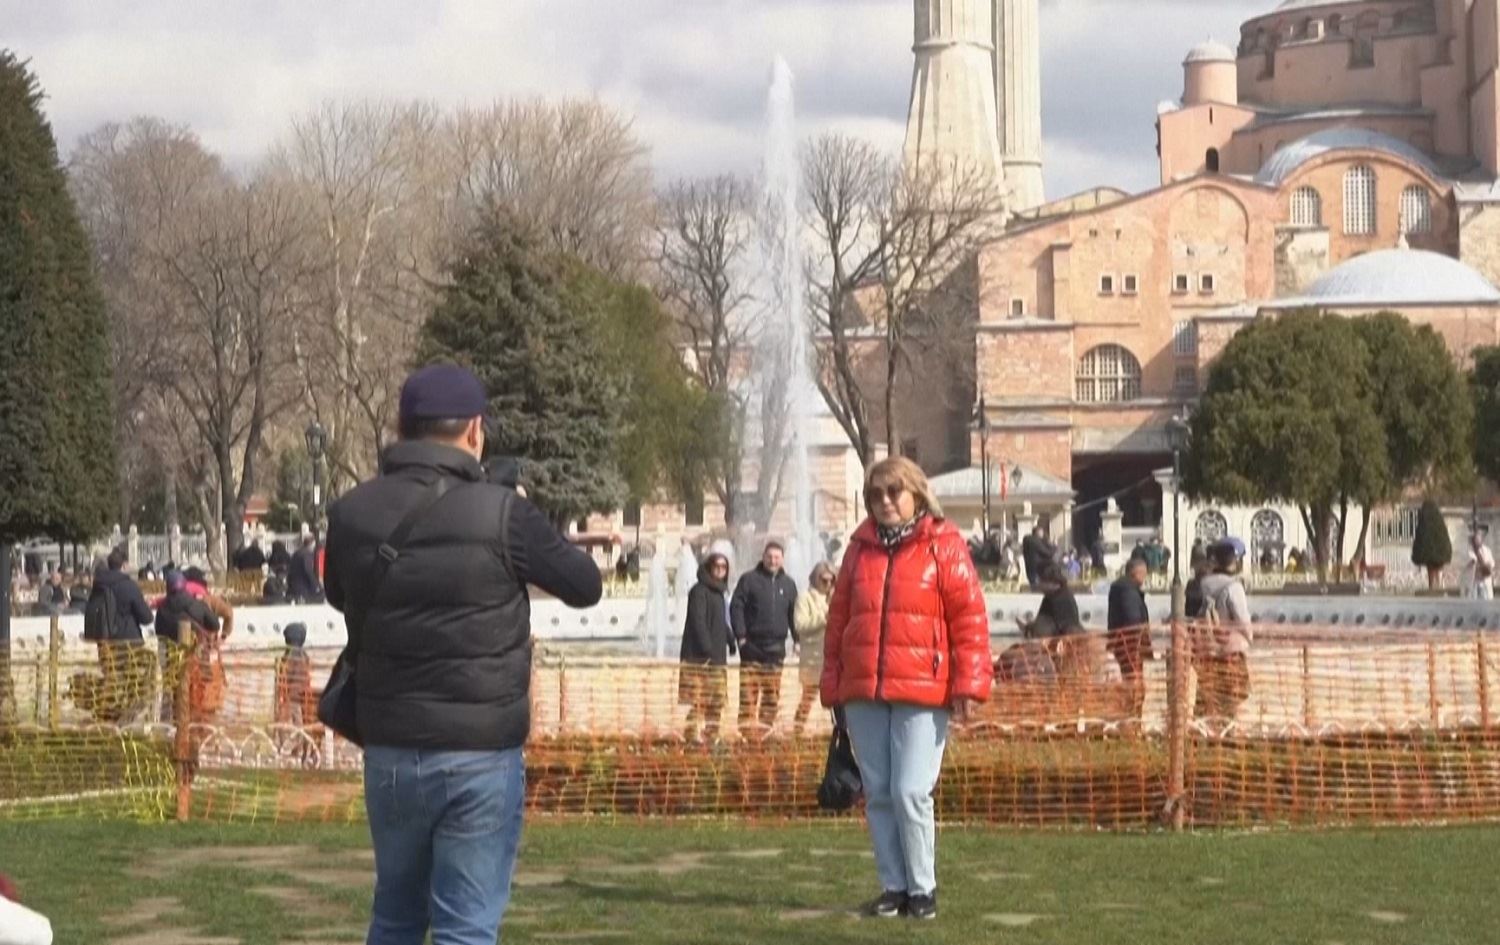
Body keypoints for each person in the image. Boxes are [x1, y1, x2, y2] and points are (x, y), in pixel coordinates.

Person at [324, 362, 602, 945]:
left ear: (402, 428)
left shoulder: (351, 512)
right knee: (466, 929)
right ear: (476, 431)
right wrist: (517, 513)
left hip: (392, 748)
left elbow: (338, 594)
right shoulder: (503, 513)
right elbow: (585, 584)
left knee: (395, 917)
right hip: (478, 750)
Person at [821, 457, 992, 922]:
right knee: (877, 791)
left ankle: (923, 889)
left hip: (923, 687)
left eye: (894, 492)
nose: (885, 502)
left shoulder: (944, 544)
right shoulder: (859, 548)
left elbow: (970, 619)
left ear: (916, 492)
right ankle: (893, 887)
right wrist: (832, 683)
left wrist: (969, 684)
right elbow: (838, 619)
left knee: (911, 791)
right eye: (876, 495)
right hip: (865, 689)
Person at [730, 542, 799, 735]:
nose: (773, 561)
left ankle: (764, 733)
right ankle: (746, 734)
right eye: (769, 556)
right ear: (763, 557)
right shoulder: (749, 580)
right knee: (748, 694)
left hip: (776, 649)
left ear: (782, 559)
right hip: (752, 646)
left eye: (777, 557)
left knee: (771, 695)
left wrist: (797, 639)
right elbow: (736, 607)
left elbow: (794, 613)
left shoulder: (789, 584)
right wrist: (741, 636)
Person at [83, 547, 154, 723]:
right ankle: (126, 720)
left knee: (112, 681)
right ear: (124, 565)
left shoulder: (98, 585)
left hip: (105, 641)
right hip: (128, 642)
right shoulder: (128, 585)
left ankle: (108, 717)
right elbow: (146, 617)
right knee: (135, 682)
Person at [678, 552, 736, 743]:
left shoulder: (719, 592)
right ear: (709, 567)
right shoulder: (699, 591)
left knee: (717, 700)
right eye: (717, 566)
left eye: (724, 567)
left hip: (717, 657)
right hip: (700, 657)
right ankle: (691, 735)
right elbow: (698, 621)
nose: (720, 569)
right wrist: (707, 649)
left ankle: (711, 735)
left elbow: (722, 621)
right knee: (700, 699)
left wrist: (731, 639)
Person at [1194, 538, 1253, 721]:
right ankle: (1226, 730)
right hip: (1229, 648)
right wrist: (1249, 638)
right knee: (1231, 695)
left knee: (1208, 691)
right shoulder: (1233, 587)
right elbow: (1242, 618)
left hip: (1206, 647)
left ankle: (1205, 728)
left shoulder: (1202, 584)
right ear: (1234, 561)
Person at [153, 569, 222, 724]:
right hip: (197, 654)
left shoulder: (162, 610)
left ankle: (178, 721)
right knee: (199, 687)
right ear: (184, 585)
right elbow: (215, 624)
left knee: (177, 691)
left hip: (173, 658)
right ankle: (199, 721)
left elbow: (159, 633)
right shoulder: (198, 605)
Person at [1107, 556, 1154, 719]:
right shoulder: (1128, 592)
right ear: (1137, 572)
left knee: (1130, 681)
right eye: (1144, 573)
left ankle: (1131, 716)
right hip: (1131, 646)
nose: (1145, 577)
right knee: (1133, 682)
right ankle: (1132, 717)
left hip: (1123, 644)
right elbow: (1133, 619)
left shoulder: (1122, 589)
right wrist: (1141, 641)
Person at [792, 561, 835, 736]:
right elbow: (799, 624)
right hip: (813, 657)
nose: (828, 584)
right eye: (824, 580)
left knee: (835, 699)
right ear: (815, 579)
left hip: (833, 656)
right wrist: (824, 618)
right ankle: (797, 730)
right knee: (808, 697)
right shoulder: (804, 597)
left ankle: (838, 733)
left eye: (831, 580)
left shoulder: (836, 596)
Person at [1017, 564, 1083, 639]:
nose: (1039, 584)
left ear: (1054, 583)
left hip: (1063, 634)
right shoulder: (1050, 596)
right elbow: (1042, 617)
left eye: (1042, 581)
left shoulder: (1062, 598)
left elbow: (1067, 625)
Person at [274, 622, 314, 727]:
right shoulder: (300, 654)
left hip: (292, 697)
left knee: (286, 723)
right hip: (297, 696)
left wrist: (287, 696)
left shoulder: (294, 656)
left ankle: (293, 742)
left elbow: (294, 677)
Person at [288, 535, 323, 603]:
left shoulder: (296, 553)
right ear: (312, 544)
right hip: (304, 586)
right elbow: (308, 570)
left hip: (294, 584)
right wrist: (316, 585)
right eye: (314, 544)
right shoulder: (307, 554)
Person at [1020, 525, 1054, 589]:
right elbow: (1047, 553)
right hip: (1037, 564)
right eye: (1042, 532)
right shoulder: (1036, 541)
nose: (1043, 534)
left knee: (1031, 577)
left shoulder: (1027, 539)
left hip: (1028, 562)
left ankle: (1034, 586)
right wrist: (1053, 546)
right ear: (1037, 532)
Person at [1467, 525, 1494, 601]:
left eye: (1479, 539)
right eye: (1475, 539)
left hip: (1486, 581)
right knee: (1474, 602)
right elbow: (1471, 562)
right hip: (1475, 581)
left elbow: (1492, 563)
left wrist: (1488, 565)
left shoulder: (1487, 550)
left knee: (1488, 602)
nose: (1477, 541)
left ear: (1482, 540)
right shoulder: (1471, 551)